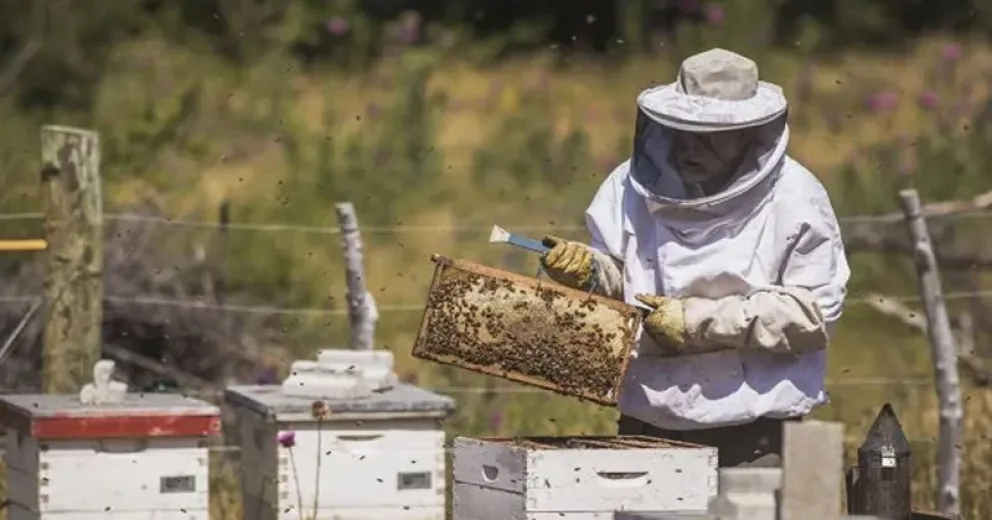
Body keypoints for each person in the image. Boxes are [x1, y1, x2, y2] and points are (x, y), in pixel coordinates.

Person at [539, 48, 850, 468]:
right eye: (682, 131)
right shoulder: (628, 187)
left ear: (747, 133)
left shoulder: (796, 197)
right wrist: (593, 272)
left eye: (708, 135)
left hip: (753, 435)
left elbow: (815, 314)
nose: (689, 148)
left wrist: (696, 323)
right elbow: (628, 279)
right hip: (646, 426)